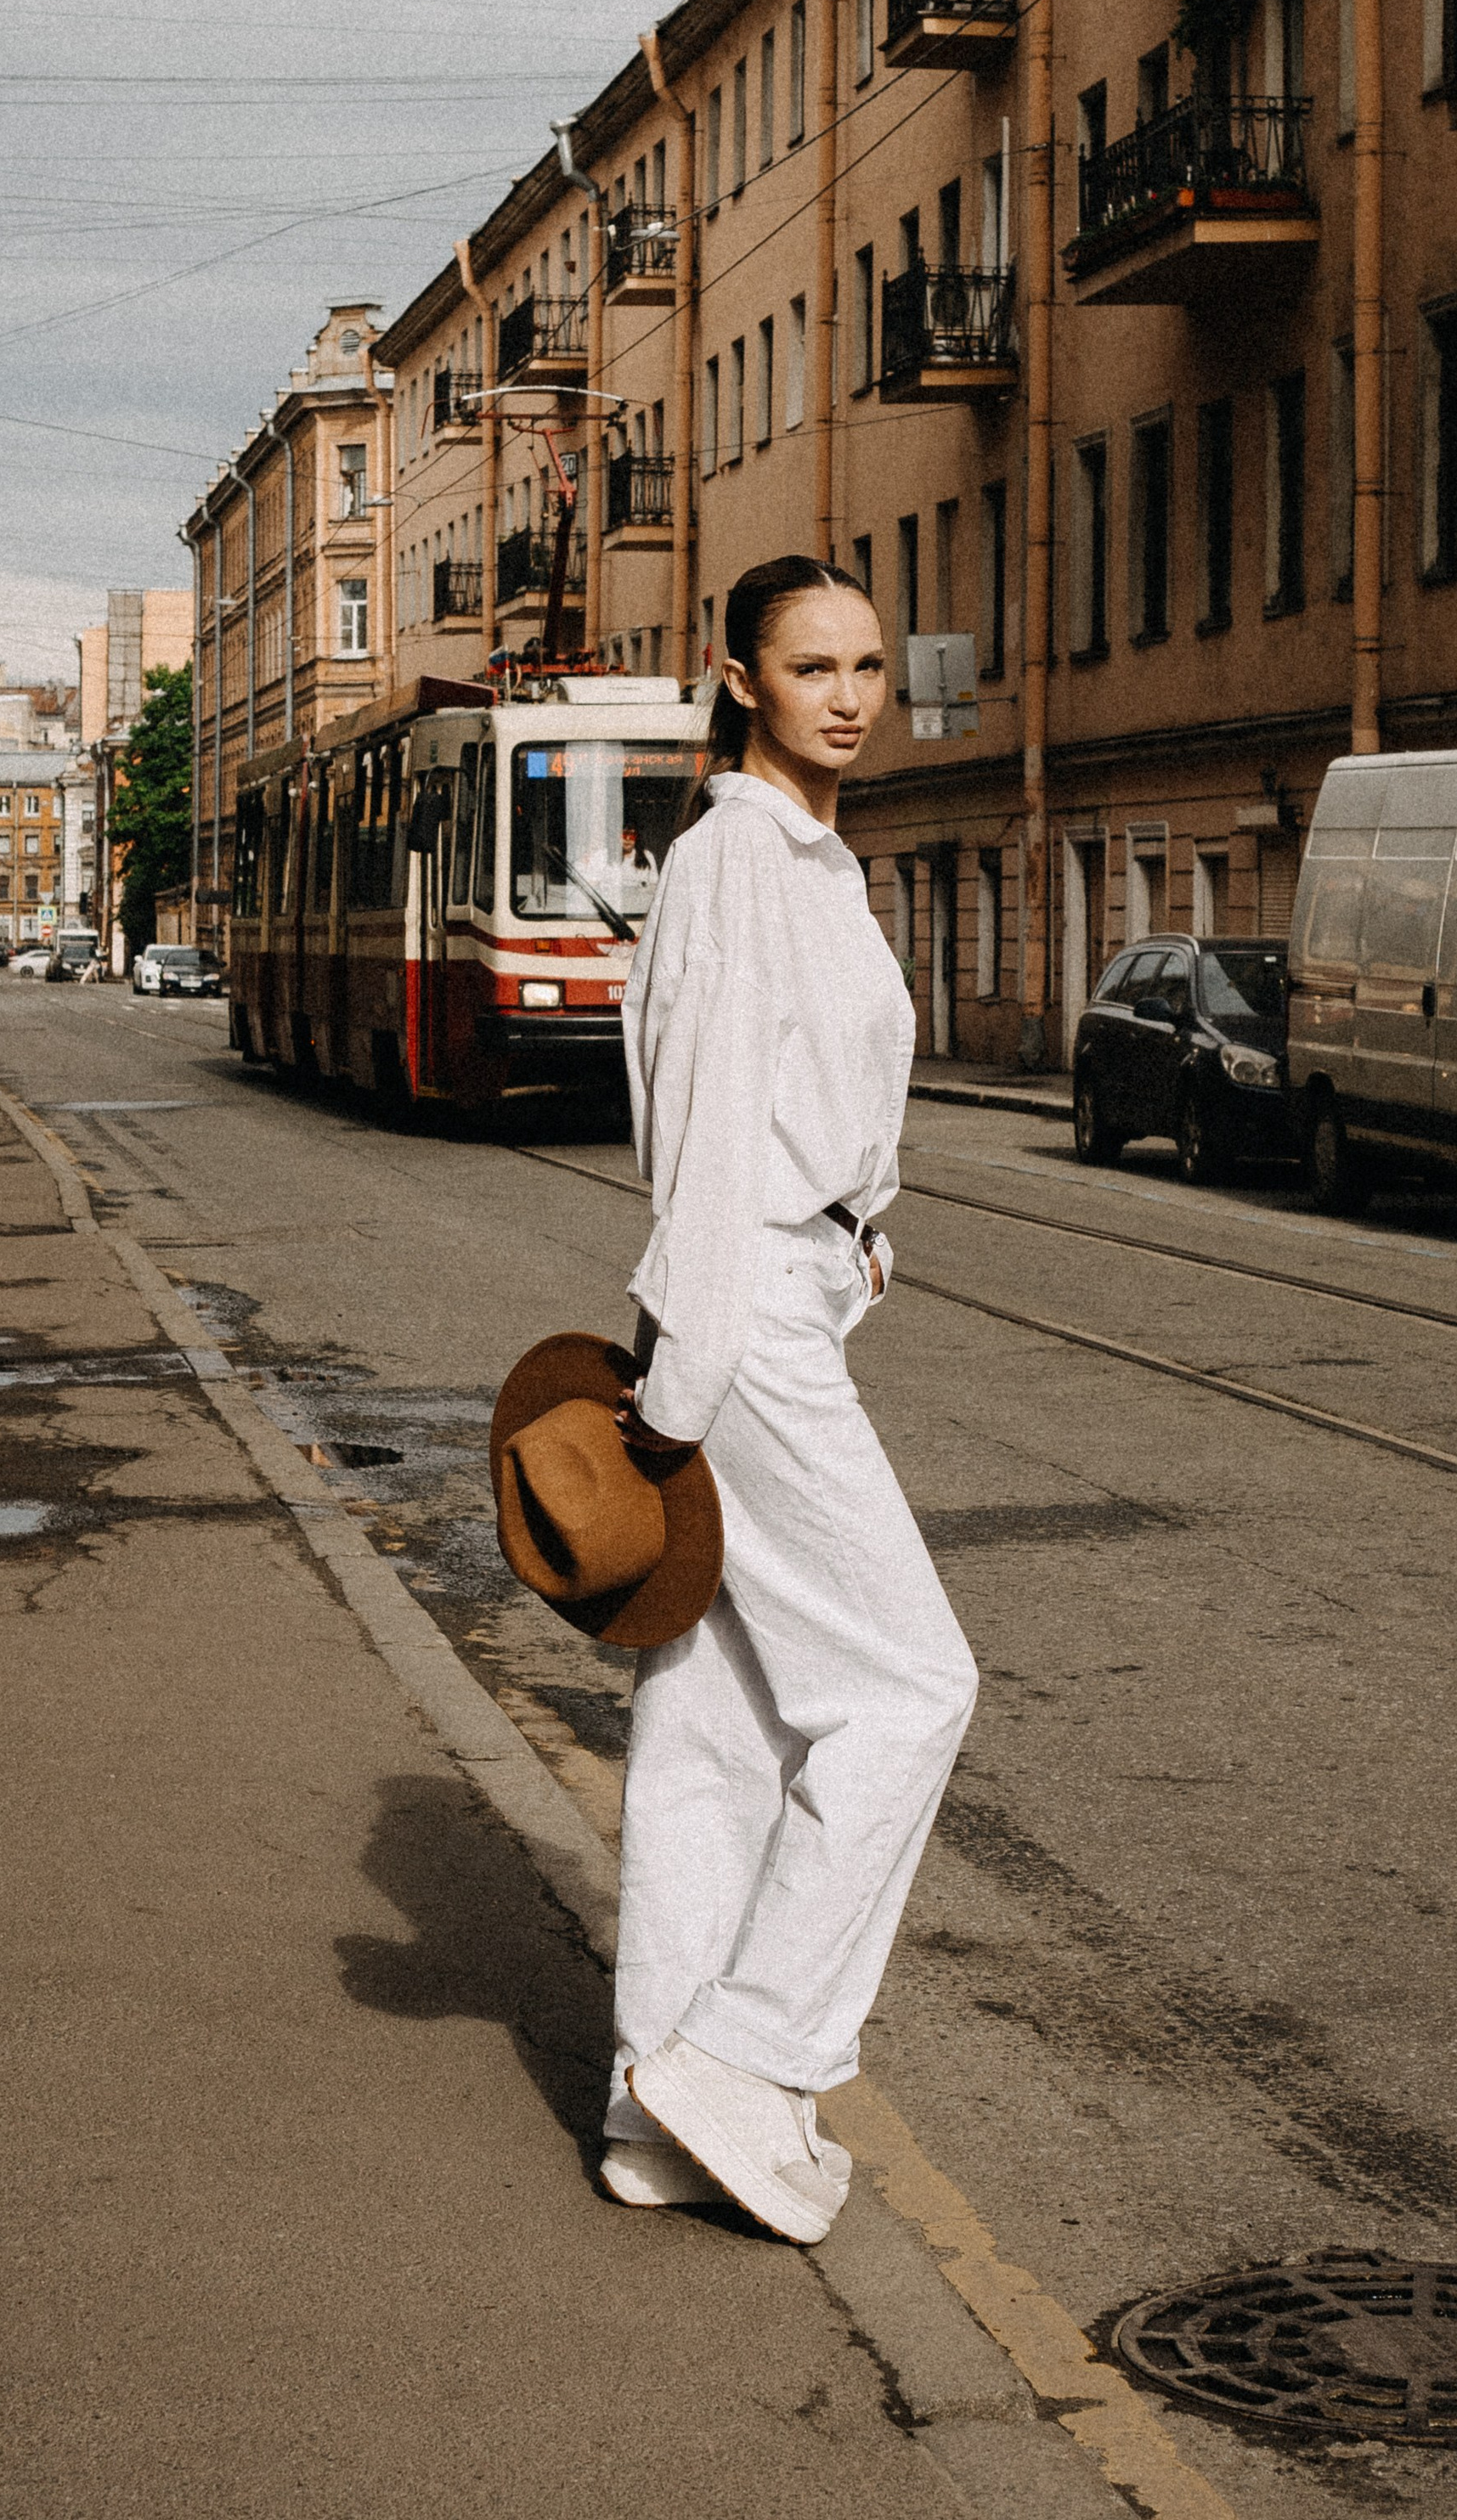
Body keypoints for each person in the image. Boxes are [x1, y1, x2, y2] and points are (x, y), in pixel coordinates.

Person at [604, 555, 977, 2243]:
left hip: (780, 1288)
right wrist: (680, 1382)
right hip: (735, 1311)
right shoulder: (735, 857)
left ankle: (649, 2109)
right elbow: (700, 1118)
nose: (847, 693)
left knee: (715, 1733)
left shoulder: (807, 857)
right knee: (909, 1689)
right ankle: (753, 2061)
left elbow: (803, 1100)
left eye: (868, 665)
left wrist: (858, 1239)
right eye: (810, 665)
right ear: (739, 679)